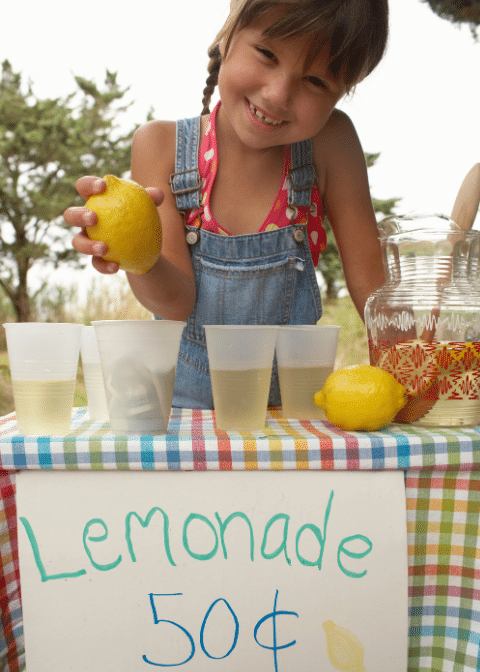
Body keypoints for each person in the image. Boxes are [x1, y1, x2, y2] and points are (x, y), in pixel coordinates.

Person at [64, 0, 389, 409]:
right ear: (228, 32)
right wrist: (136, 257)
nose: (278, 94)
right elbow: (175, 301)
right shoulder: (161, 146)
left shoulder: (330, 143)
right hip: (182, 426)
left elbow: (374, 290)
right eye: (267, 54)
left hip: (294, 425)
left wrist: (422, 362)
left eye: (315, 82)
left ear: (342, 93)